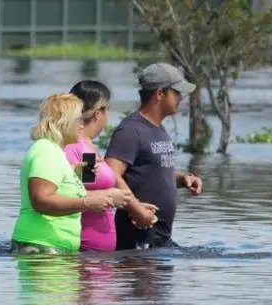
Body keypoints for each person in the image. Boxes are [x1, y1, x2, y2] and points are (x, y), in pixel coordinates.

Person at [11, 93, 133, 254]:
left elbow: (56, 186)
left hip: (52, 248)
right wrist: (87, 203)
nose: (82, 125)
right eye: (79, 119)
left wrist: (74, 172)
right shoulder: (46, 150)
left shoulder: (55, 151)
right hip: (42, 247)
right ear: (64, 122)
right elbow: (40, 201)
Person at [104, 62, 203, 250]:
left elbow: (150, 173)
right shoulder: (131, 130)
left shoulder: (158, 128)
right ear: (159, 94)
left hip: (158, 237)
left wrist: (182, 179)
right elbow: (111, 173)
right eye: (176, 92)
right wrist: (137, 210)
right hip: (137, 239)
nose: (181, 98)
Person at [63, 80, 158, 251]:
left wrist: (130, 205)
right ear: (98, 113)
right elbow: (69, 192)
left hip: (99, 255)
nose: (107, 115)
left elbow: (89, 188)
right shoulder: (76, 146)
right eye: (107, 110)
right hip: (86, 251)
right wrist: (115, 199)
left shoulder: (89, 147)